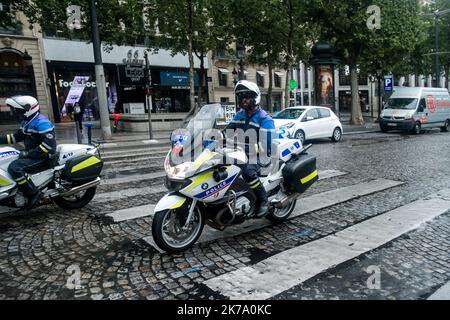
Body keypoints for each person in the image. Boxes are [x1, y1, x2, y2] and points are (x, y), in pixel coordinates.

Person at [225, 80, 275, 218]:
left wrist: (246, 147)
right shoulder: (240, 115)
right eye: (242, 98)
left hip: (260, 156)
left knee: (247, 172)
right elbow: (228, 131)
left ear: (255, 98)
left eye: (247, 97)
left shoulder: (265, 119)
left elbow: (266, 145)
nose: (244, 100)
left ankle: (263, 200)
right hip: (242, 153)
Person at [0, 95, 57, 210]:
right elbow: (15, 137)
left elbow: (49, 145)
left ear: (27, 109)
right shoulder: (27, 122)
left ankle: (33, 193)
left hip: (43, 157)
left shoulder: (41, 122)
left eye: (17, 110)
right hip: (33, 155)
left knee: (14, 167)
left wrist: (28, 154)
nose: (15, 112)